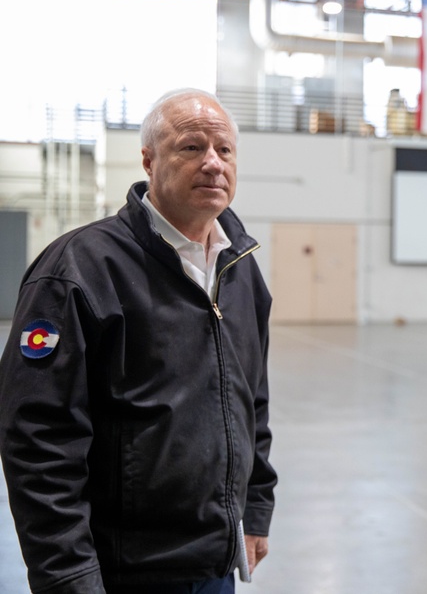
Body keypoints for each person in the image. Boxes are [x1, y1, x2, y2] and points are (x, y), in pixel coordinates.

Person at [0, 89, 277, 594]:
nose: (213, 163)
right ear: (149, 160)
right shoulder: (80, 269)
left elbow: (251, 402)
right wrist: (68, 574)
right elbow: (38, 438)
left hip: (215, 564)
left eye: (225, 150)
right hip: (120, 571)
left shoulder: (242, 269)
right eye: (192, 147)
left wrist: (255, 508)